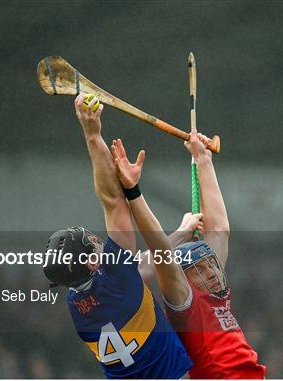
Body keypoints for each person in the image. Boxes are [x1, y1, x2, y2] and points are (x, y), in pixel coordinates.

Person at [42, 94, 193, 379]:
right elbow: (113, 200)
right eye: (94, 243)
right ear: (90, 263)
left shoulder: (77, 302)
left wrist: (183, 233)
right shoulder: (114, 276)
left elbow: (145, 265)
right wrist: (91, 132)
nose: (100, 240)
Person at [110, 125, 267, 379]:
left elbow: (219, 230)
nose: (212, 272)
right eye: (199, 270)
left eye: (210, 265)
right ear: (183, 277)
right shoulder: (185, 302)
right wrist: (133, 192)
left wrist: (203, 160)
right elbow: (157, 254)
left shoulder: (216, 293)